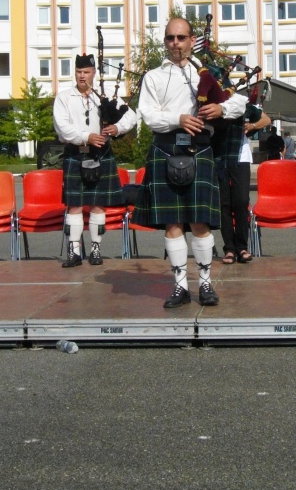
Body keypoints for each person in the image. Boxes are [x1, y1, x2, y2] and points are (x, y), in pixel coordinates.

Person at [134, 17, 247, 308]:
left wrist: (220, 108)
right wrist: (178, 118)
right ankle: (180, 286)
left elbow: (241, 102)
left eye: (181, 38)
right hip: (166, 149)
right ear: (165, 41)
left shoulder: (207, 72)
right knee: (173, 223)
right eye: (170, 38)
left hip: (199, 149)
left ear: (191, 39)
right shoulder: (154, 77)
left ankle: (206, 285)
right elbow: (148, 115)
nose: (176, 44)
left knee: (200, 222)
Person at [52, 54, 138, 267]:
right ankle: (74, 251)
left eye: (87, 72)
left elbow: (131, 116)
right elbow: (62, 126)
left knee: (99, 205)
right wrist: (86, 136)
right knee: (74, 206)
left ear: (94, 73)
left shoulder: (106, 96)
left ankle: (96, 249)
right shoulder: (64, 97)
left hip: (101, 154)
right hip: (76, 153)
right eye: (79, 72)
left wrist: (117, 128)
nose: (82, 76)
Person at [214, 87, 271, 265]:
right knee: (223, 203)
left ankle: (242, 247)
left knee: (240, 201)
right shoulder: (214, 104)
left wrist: (252, 126)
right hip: (219, 156)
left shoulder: (242, 104)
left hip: (241, 156)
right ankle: (229, 249)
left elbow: (266, 119)